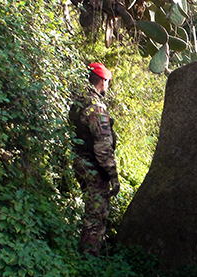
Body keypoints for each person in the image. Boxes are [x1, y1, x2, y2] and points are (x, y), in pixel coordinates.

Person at [69, 62, 120, 256]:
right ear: (102, 81)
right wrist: (113, 176)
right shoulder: (96, 108)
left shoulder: (78, 102)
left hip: (80, 163)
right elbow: (102, 147)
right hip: (93, 168)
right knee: (96, 215)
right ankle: (89, 257)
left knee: (91, 209)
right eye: (107, 82)